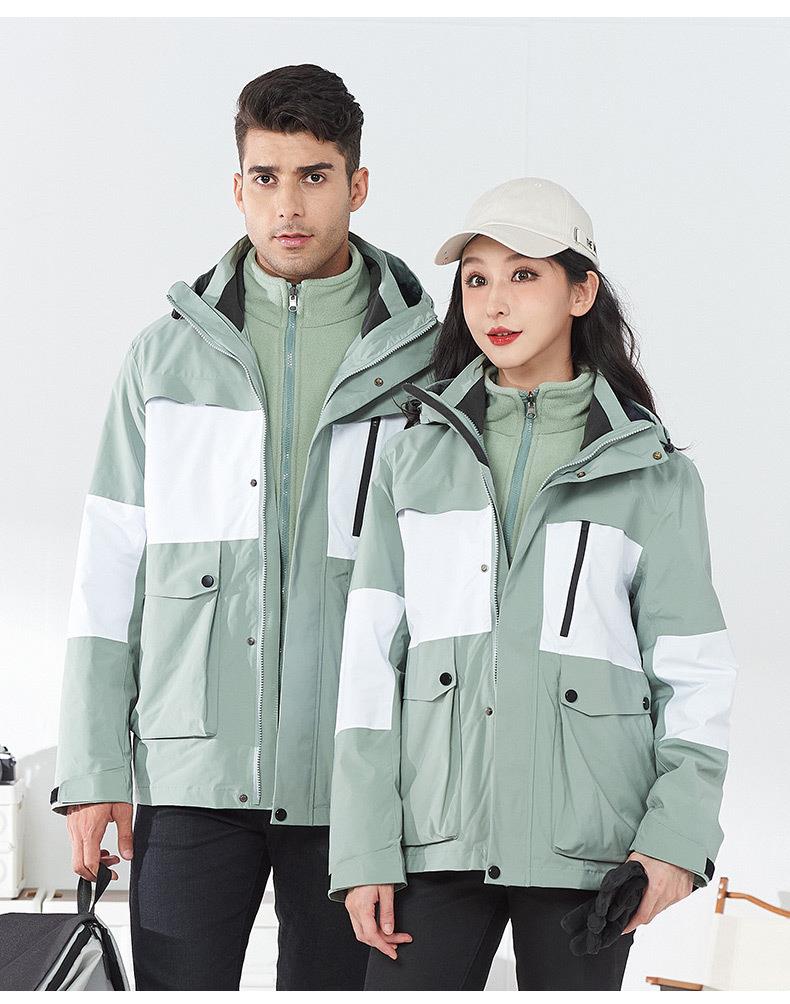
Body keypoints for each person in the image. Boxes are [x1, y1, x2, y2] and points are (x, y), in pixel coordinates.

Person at [50, 64, 441, 990]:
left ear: (357, 184)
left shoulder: (428, 360)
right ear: (238, 188)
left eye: (314, 176)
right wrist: (94, 767)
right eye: (266, 177)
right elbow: (108, 571)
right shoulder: (164, 358)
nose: (288, 205)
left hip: (358, 779)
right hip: (191, 772)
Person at [327, 177, 739, 990]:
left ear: (581, 292)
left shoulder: (651, 474)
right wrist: (363, 847)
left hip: (589, 847)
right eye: (476, 279)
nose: (495, 302)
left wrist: (674, 840)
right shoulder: (413, 459)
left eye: (524, 274)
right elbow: (370, 667)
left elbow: (694, 673)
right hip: (435, 839)